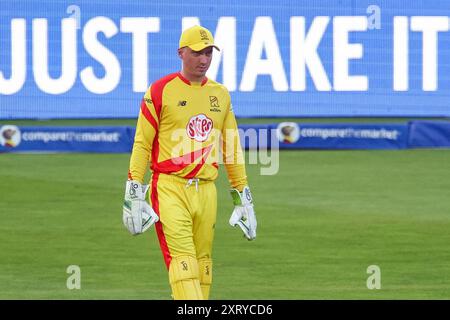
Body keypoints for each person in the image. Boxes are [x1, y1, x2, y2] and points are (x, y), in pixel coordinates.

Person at [122, 25, 257, 300]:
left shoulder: (221, 94)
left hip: (207, 191)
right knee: (183, 266)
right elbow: (142, 143)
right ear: (180, 53)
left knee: (203, 267)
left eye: (208, 53)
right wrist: (133, 193)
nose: (204, 59)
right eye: (197, 53)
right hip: (170, 188)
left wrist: (244, 199)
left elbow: (231, 148)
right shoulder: (160, 91)